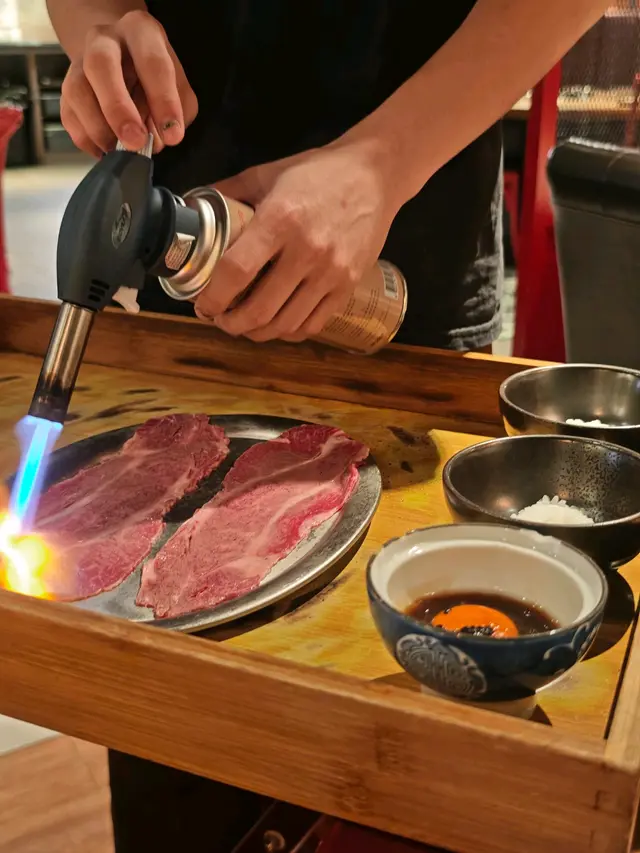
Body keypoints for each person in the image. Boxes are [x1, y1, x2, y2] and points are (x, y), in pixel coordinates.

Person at [45, 2, 611, 850]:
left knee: (390, 759)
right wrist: (96, 23)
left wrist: (383, 162)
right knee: (174, 755)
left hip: (400, 256)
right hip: (188, 261)